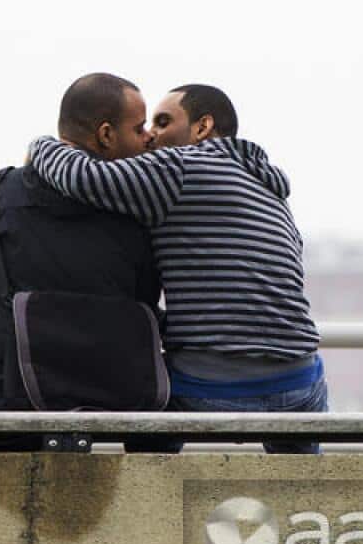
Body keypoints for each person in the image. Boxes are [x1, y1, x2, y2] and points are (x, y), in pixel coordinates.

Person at [28, 83, 325, 454]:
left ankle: (149, 505)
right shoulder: (270, 190)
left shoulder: (180, 167)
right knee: (302, 496)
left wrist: (43, 145)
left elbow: (81, 177)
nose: (151, 135)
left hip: (212, 388)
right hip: (301, 386)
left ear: (202, 127)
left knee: (144, 405)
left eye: (163, 121)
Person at [0, 73, 161, 451]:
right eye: (139, 128)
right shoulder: (136, 210)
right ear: (105, 135)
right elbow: (145, 302)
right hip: (106, 403)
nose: (148, 137)